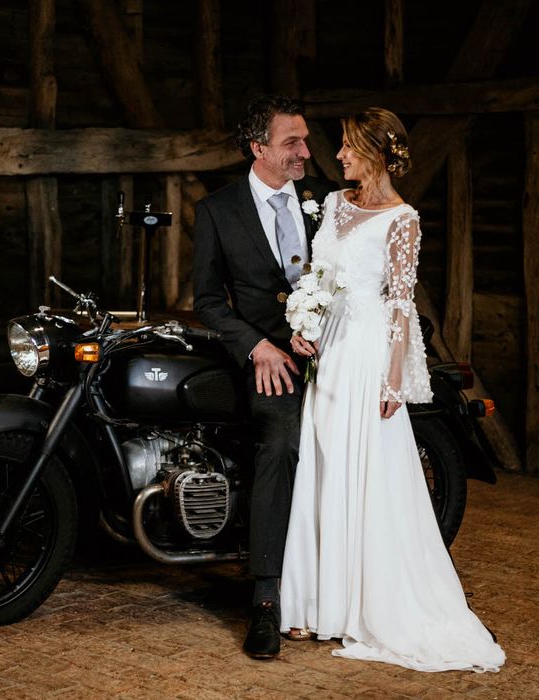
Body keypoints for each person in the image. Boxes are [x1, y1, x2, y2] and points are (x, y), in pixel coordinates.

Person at [279, 107, 505, 672]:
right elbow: (316, 278)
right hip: (326, 352)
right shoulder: (332, 204)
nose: (338, 156)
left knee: (362, 472)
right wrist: (302, 326)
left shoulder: (402, 218)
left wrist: (395, 378)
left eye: (349, 147)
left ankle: (357, 606)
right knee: (321, 465)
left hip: (365, 355)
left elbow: (400, 304)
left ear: (376, 152)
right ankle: (312, 603)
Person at [193, 94, 336, 659]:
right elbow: (207, 301)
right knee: (279, 444)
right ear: (259, 149)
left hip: (335, 353)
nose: (305, 151)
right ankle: (268, 601)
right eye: (292, 143)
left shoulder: (326, 199)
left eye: (304, 140)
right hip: (269, 359)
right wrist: (258, 346)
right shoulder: (217, 210)